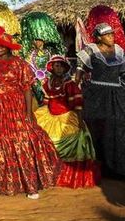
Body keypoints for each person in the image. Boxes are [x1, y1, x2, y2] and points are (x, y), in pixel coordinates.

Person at [0, 25, 60, 199]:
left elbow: (26, 89)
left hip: (14, 106)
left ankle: (30, 184)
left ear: (9, 47)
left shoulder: (19, 64)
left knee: (22, 139)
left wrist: (28, 110)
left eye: (3, 45)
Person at [34, 55, 100, 188]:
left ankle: (66, 174)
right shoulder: (47, 83)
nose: (59, 68)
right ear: (52, 68)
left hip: (67, 117)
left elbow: (77, 103)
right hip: (49, 116)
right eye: (56, 66)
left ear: (65, 69)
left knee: (74, 137)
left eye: (61, 66)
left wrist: (80, 122)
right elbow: (46, 101)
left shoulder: (70, 84)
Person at [76, 21, 125, 177]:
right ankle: (101, 168)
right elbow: (78, 73)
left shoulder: (119, 51)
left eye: (112, 34)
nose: (111, 37)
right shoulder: (90, 50)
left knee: (119, 128)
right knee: (99, 128)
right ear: (98, 37)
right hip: (96, 96)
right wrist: (73, 93)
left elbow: (124, 74)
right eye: (107, 35)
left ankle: (118, 167)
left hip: (117, 95)